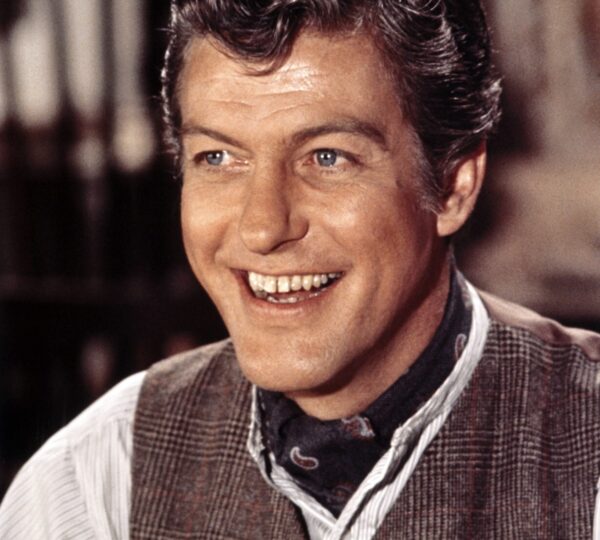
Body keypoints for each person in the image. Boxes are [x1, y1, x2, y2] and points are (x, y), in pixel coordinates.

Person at [2, 0, 600, 538]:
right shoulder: (96, 481)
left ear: (452, 186)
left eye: (328, 157)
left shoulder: (585, 451)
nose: (263, 227)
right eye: (218, 157)